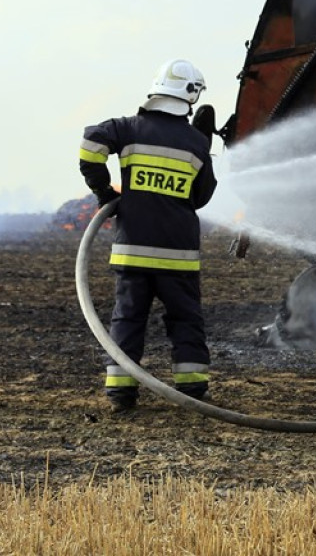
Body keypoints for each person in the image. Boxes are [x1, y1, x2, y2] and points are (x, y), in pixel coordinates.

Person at [79, 59, 218, 413]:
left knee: (128, 318)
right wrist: (202, 145)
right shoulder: (195, 143)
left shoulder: (128, 128)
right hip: (178, 255)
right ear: (190, 96)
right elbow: (201, 197)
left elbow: (90, 143)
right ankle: (192, 388)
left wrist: (105, 193)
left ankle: (121, 393)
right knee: (185, 319)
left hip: (133, 250)